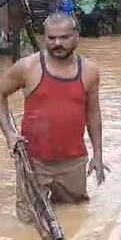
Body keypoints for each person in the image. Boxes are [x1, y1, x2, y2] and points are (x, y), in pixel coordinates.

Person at [0, 13, 107, 224]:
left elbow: (93, 113)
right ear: (44, 38)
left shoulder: (90, 71)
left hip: (73, 161)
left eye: (64, 37)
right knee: (30, 222)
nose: (57, 43)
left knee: (76, 214)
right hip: (33, 161)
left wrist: (98, 155)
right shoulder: (27, 67)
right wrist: (10, 134)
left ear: (76, 36)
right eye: (51, 38)